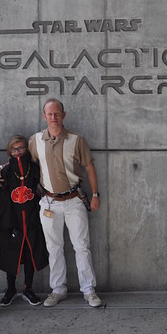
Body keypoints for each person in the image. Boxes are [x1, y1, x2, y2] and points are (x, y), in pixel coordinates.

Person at [28, 98, 102, 308]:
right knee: (54, 248)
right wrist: (3, 168)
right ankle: (58, 290)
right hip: (49, 202)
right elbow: (26, 165)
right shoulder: (35, 140)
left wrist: (95, 195)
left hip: (74, 201)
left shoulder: (77, 140)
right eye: (50, 114)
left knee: (82, 246)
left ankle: (89, 290)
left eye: (57, 113)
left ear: (64, 114)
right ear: (44, 116)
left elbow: (89, 168)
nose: (54, 117)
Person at [0, 135, 48, 306]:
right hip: (11, 221)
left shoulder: (35, 169)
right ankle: (10, 289)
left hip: (32, 219)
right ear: (9, 151)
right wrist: (7, 223)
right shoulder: (6, 172)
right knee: (11, 254)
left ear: (27, 149)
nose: (18, 152)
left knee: (30, 253)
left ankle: (28, 289)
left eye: (21, 148)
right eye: (14, 149)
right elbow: (2, 200)